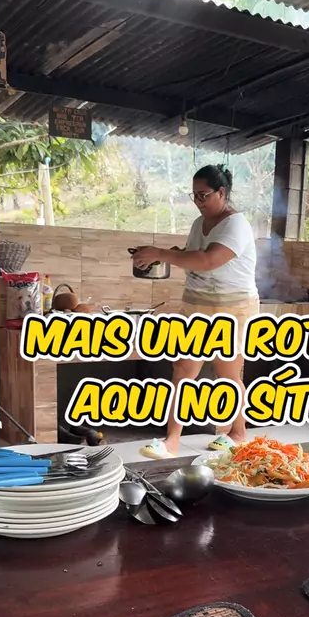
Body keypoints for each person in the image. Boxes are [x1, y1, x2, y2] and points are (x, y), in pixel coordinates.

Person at [131, 163, 259, 459]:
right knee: (183, 369)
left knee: (227, 373)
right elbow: (193, 256)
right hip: (197, 304)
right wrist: (160, 256)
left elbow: (208, 260)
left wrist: (162, 253)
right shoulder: (198, 223)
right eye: (194, 195)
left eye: (203, 195)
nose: (198, 201)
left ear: (221, 193)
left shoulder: (236, 224)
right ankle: (171, 441)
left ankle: (238, 433)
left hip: (232, 307)